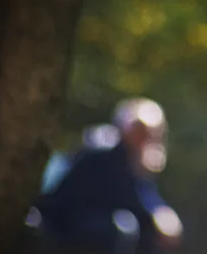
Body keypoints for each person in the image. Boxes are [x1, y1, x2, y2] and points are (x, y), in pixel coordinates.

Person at [33, 97, 182, 254]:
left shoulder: (134, 158)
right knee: (122, 228)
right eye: (140, 130)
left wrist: (159, 212)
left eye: (152, 134)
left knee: (143, 232)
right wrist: (154, 217)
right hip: (63, 222)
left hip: (88, 222)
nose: (145, 138)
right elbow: (129, 197)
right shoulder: (104, 149)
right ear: (125, 127)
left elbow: (145, 196)